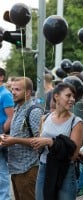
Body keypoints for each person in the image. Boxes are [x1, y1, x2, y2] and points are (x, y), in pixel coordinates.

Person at [31, 83, 83, 200]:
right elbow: (40, 143)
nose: (72, 100)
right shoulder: (45, 118)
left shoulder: (76, 121)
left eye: (73, 97)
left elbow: (73, 154)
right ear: (56, 96)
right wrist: (37, 145)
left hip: (65, 172)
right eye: (68, 96)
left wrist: (51, 142)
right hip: (44, 168)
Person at [0, 77, 43, 200]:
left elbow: (40, 141)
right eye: (12, 89)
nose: (13, 92)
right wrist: (7, 138)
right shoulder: (18, 108)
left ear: (28, 92)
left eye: (17, 89)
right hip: (16, 169)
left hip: (28, 169)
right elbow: (19, 136)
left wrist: (15, 140)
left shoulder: (33, 111)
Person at [0, 68, 14, 200]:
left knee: (1, 170)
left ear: (1, 77)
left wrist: (2, 132)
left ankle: (4, 198)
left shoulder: (5, 94)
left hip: (1, 133)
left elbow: (11, 117)